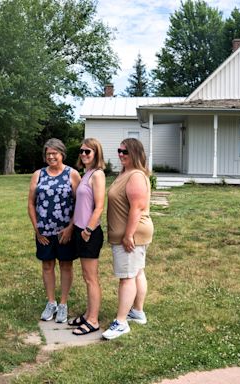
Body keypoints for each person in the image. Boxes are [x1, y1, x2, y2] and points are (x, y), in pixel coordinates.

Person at [102, 138, 154, 340]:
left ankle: (121, 322)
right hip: (130, 233)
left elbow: (138, 207)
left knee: (127, 277)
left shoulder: (136, 176)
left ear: (135, 153)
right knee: (137, 272)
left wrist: (128, 234)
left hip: (132, 234)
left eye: (125, 151)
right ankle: (138, 312)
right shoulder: (125, 173)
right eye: (119, 151)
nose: (121, 154)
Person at [28, 138, 81, 323]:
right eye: (48, 153)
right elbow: (31, 203)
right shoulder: (38, 175)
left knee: (66, 265)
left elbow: (80, 204)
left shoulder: (72, 174)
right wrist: (37, 229)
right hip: (44, 232)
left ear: (62, 154)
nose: (51, 156)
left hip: (65, 232)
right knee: (47, 266)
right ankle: (51, 303)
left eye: (54, 153)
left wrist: (70, 227)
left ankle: (63, 305)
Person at [68, 138, 106, 335]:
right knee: (86, 276)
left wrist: (88, 230)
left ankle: (93, 320)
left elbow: (99, 206)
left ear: (96, 154)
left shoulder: (98, 175)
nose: (83, 155)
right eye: (81, 151)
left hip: (89, 233)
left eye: (88, 152)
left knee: (91, 278)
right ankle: (87, 314)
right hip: (80, 231)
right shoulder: (86, 173)